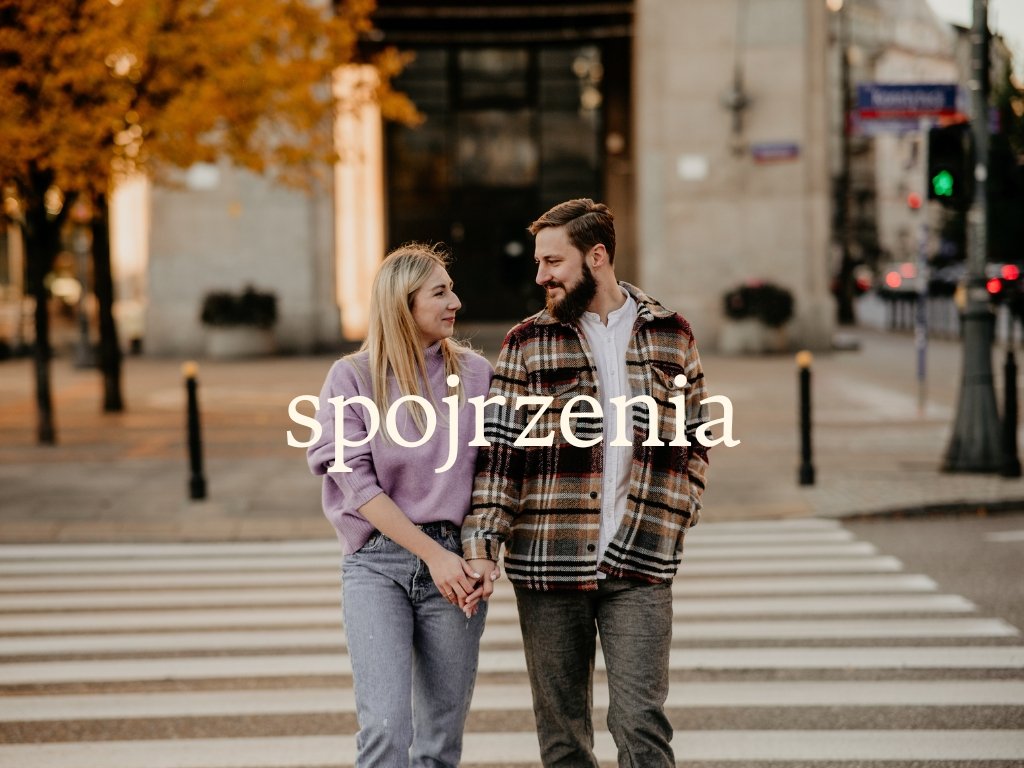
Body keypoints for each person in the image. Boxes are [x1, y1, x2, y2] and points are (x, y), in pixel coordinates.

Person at [462, 199, 711, 767]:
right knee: (563, 737)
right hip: (550, 562)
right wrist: (483, 544)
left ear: (597, 257)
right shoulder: (526, 342)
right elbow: (500, 454)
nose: (540, 276)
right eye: (539, 262)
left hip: (641, 559)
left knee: (641, 723)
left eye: (553, 261)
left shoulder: (671, 334)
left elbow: (697, 431)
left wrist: (681, 508)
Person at [308, 243, 493, 768]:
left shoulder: (476, 374)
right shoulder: (352, 377)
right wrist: (433, 557)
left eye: (452, 290)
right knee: (386, 730)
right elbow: (356, 485)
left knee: (440, 741)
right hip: (377, 563)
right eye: (440, 293)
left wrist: (481, 551)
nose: (455, 302)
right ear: (402, 303)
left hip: (456, 562)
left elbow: (495, 473)